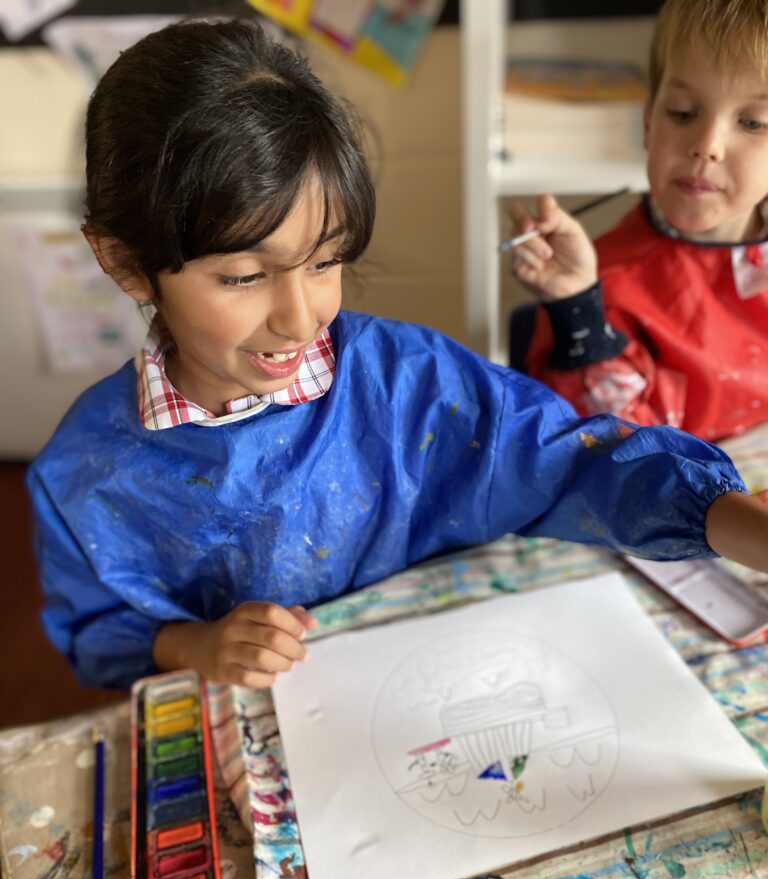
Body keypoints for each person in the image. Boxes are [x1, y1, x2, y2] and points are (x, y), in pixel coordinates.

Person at [26, 17, 768, 692]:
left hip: (430, 690)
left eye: (325, 261)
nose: (299, 316)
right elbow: (100, 634)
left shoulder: (408, 385)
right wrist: (199, 645)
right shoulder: (83, 474)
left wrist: (732, 520)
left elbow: (572, 459)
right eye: (244, 277)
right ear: (127, 264)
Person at [508, 0, 768, 442]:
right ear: (648, 122)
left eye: (753, 122)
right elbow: (623, 454)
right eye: (683, 113)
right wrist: (578, 313)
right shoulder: (609, 283)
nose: (707, 145)